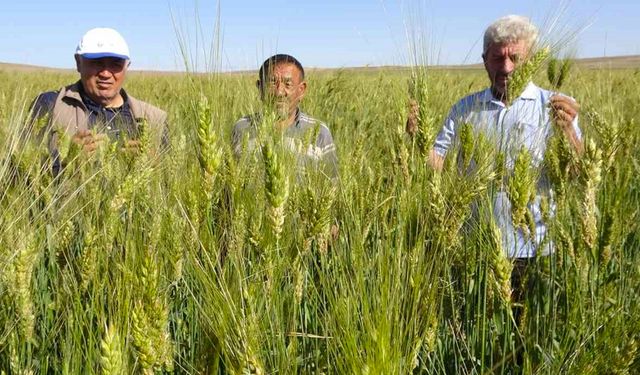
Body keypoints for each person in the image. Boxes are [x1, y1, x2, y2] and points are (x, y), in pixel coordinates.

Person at [427, 15, 583, 260]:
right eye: (498, 58)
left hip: (537, 249)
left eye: (515, 58)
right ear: (485, 61)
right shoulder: (464, 109)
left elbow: (576, 174)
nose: (507, 67)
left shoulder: (554, 106)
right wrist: (416, 140)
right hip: (476, 248)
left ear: (530, 60)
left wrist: (569, 133)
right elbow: (438, 161)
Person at [28, 27, 168, 175]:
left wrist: (154, 165)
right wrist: (67, 162)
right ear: (78, 63)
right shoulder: (49, 105)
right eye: (96, 62)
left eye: (116, 64)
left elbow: (170, 181)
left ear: (127, 66)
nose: (106, 73)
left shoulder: (155, 119)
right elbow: (17, 172)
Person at [232, 54, 338, 179]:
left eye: (288, 84)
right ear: (260, 88)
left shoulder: (320, 132)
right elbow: (230, 184)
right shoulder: (242, 127)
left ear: (301, 90)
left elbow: (332, 187)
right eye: (272, 83)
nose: (279, 92)